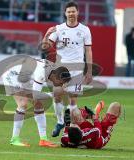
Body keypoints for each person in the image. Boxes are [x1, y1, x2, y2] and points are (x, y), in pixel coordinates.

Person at [42, 1, 93, 137]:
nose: (71, 14)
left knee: (73, 101)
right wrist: (47, 35)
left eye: (73, 11)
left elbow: (88, 51)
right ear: (65, 13)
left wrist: (89, 71)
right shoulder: (58, 29)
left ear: (77, 12)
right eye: (69, 11)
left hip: (77, 68)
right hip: (61, 67)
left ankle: (70, 128)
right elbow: (45, 47)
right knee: (57, 93)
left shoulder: (85, 30)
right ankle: (59, 122)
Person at [0, 55, 71, 147]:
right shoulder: (41, 73)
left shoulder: (55, 71)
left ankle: (43, 140)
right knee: (23, 104)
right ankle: (14, 139)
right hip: (12, 74)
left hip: (26, 77)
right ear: (56, 77)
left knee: (38, 105)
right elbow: (36, 95)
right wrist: (53, 94)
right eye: (61, 83)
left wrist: (61, 90)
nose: (61, 85)